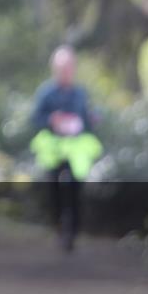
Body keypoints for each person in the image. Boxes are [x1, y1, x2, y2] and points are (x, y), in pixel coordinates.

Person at [29, 45, 102, 252]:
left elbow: (88, 118)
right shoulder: (46, 92)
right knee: (53, 189)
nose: (66, 71)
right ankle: (58, 226)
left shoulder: (81, 93)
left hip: (76, 149)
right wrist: (52, 120)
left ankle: (74, 230)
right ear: (55, 69)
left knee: (75, 188)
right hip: (52, 148)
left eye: (69, 67)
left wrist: (91, 120)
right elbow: (35, 118)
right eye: (62, 68)